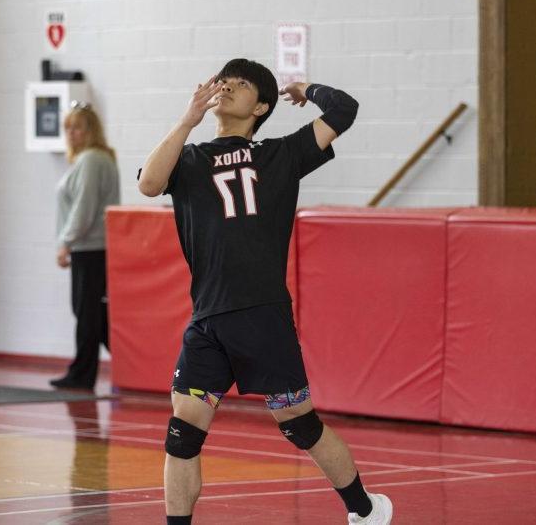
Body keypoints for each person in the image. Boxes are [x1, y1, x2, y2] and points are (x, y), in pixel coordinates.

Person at [137, 59, 393, 524]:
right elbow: (149, 183)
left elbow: (345, 110)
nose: (228, 86)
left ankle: (365, 511)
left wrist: (305, 87)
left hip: (262, 315)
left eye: (242, 84)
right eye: (224, 80)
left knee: (299, 427)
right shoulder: (189, 158)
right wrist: (186, 121)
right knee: (182, 435)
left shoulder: (279, 155)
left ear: (261, 106)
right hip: (208, 321)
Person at [50, 102, 121, 391]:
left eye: (77, 127)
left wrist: (66, 241)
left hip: (90, 247)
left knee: (87, 312)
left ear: (91, 130)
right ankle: (129, 360)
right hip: (92, 247)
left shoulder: (91, 159)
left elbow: (84, 207)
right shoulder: (96, 159)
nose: (70, 133)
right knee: (93, 314)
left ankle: (82, 373)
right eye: (67, 127)